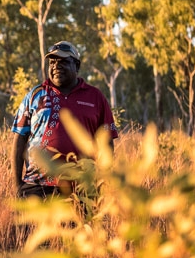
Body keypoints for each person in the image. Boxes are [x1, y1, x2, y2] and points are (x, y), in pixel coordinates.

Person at [12, 40, 119, 199]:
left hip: (82, 187)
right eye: (52, 62)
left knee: (81, 225)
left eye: (63, 61)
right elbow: (19, 140)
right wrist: (18, 185)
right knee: (30, 225)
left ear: (77, 66)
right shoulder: (35, 95)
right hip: (37, 186)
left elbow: (107, 143)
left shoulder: (95, 97)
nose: (56, 66)